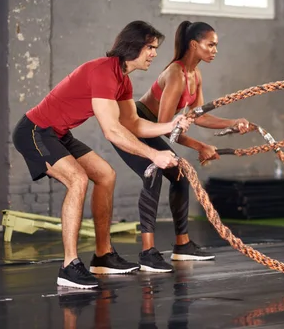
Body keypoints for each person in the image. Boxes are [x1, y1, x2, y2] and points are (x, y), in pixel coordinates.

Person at [12, 21, 193, 289]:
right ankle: (69, 266)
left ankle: (103, 255)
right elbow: (112, 130)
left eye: (155, 48)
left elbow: (132, 124)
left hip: (59, 134)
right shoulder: (103, 72)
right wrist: (154, 155)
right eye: (150, 48)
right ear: (133, 46)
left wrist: (170, 125)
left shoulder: (123, 81)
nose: (154, 54)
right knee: (78, 180)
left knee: (106, 175)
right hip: (35, 131)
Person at [112, 21, 250, 273]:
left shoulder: (195, 75)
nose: (215, 50)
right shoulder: (175, 74)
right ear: (194, 45)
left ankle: (182, 245)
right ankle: (147, 252)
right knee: (152, 174)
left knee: (180, 175)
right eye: (211, 44)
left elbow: (199, 116)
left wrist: (234, 122)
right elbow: (166, 126)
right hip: (135, 126)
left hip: (154, 127)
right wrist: (199, 146)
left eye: (216, 45)